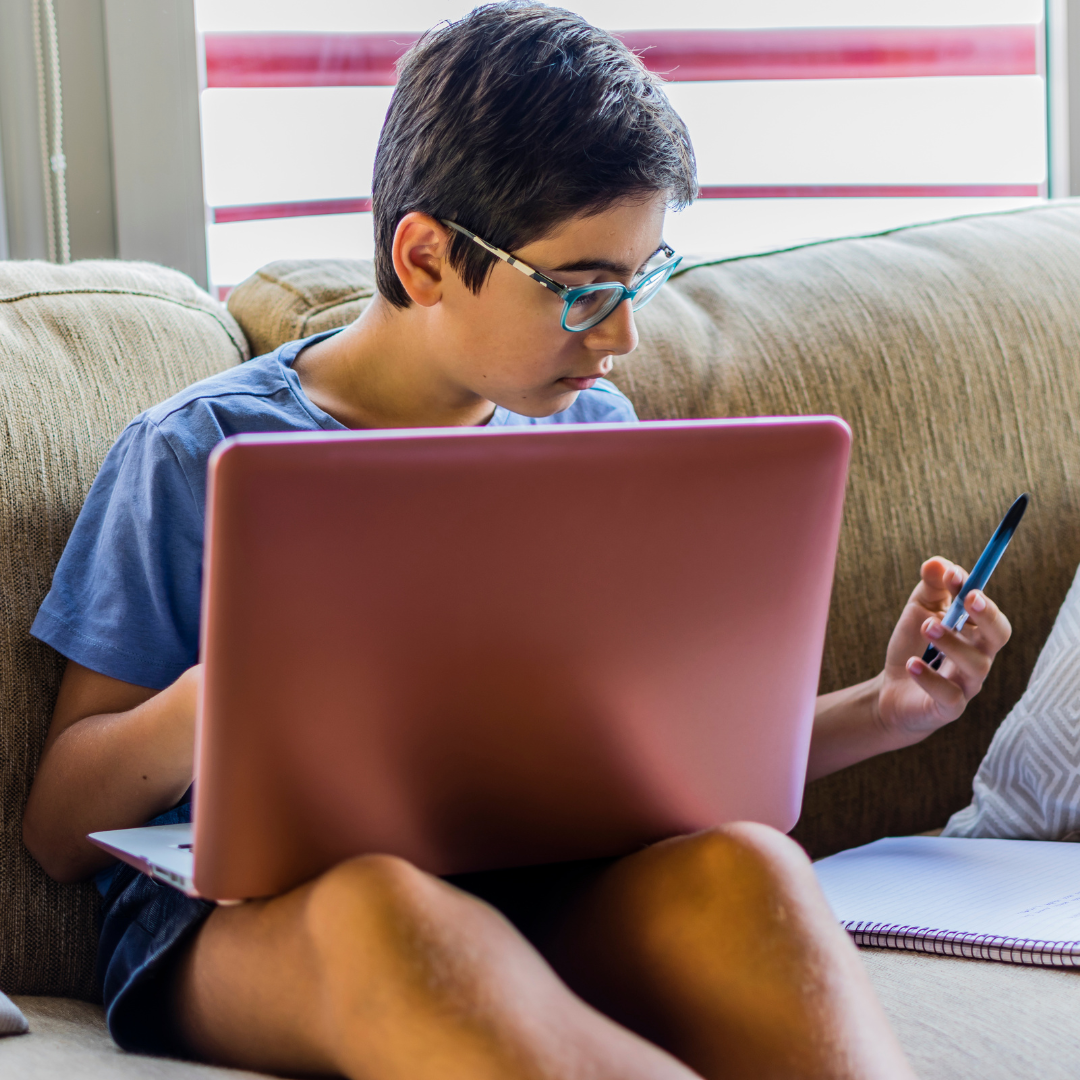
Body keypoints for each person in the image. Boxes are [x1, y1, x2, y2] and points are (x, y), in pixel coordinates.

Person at [22, 6, 1010, 1078]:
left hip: (542, 878)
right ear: (428, 255)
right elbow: (60, 826)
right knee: (386, 908)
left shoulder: (595, 440)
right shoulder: (198, 453)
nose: (623, 336)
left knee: (750, 869)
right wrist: (232, 697)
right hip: (250, 920)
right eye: (584, 290)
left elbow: (671, 767)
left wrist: (886, 710)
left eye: (640, 281)